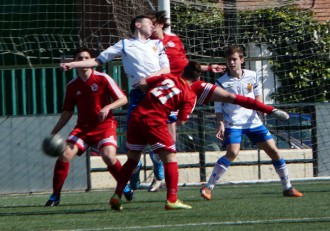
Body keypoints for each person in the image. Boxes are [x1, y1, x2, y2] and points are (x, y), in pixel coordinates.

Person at [60, 15, 170, 200]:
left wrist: (149, 79)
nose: (152, 25)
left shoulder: (157, 44)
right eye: (148, 22)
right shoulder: (125, 44)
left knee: (164, 139)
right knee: (133, 144)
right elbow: (97, 61)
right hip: (137, 96)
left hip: (158, 94)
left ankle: (166, 184)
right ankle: (132, 173)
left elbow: (166, 70)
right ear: (137, 25)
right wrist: (73, 64)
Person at [127, 10, 227, 194]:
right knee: (138, 139)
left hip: (172, 96)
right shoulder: (147, 45)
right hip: (151, 94)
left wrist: (207, 67)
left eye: (154, 23)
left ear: (160, 25)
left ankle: (159, 172)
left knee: (170, 140)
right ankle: (135, 169)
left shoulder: (174, 41)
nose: (151, 27)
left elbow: (185, 64)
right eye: (149, 24)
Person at [200, 45, 303, 200]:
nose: (231, 63)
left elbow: (258, 98)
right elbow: (218, 107)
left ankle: (287, 187)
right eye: (229, 60)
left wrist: (261, 114)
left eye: (234, 59)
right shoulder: (221, 82)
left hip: (253, 122)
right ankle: (208, 187)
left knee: (274, 151)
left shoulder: (252, 76)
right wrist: (220, 123)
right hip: (233, 123)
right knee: (233, 153)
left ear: (242, 60)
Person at [109, 61, 201, 211]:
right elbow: (181, 121)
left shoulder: (167, 77)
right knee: (170, 158)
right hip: (154, 120)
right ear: (197, 79)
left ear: (182, 72)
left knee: (132, 159)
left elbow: (143, 83)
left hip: (137, 116)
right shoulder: (190, 95)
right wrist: (169, 110)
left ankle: (117, 195)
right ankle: (172, 199)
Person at [45, 47, 128, 206]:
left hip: (105, 126)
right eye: (79, 58)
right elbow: (67, 112)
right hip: (83, 128)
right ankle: (55, 195)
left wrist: (108, 107)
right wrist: (54, 132)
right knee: (65, 154)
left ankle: (124, 186)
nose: (83, 61)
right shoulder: (72, 86)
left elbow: (123, 99)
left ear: (91, 61)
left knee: (108, 156)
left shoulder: (103, 78)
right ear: (74, 62)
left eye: (86, 58)